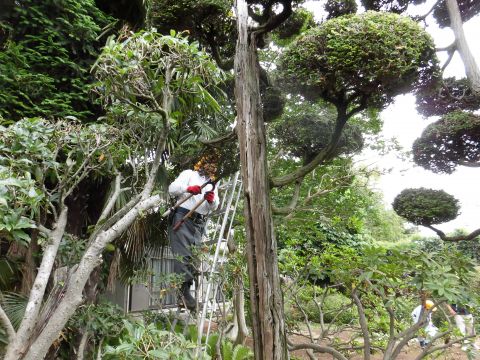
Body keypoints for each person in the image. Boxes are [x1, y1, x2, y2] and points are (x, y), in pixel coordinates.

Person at [168, 155, 219, 311]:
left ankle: (187, 293)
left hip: (199, 223)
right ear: (202, 163)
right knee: (183, 254)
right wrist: (187, 189)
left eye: (214, 165)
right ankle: (183, 294)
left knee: (193, 257)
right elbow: (172, 189)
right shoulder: (189, 174)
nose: (211, 167)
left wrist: (211, 200)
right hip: (183, 217)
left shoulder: (213, 182)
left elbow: (215, 206)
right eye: (209, 163)